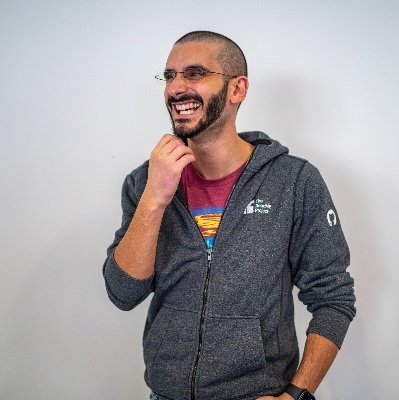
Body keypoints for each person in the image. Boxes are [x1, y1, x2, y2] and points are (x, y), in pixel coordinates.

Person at [102, 31, 356, 400]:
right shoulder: (145, 181)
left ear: (237, 89)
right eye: (170, 76)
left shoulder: (294, 181)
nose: (176, 88)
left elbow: (333, 298)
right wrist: (154, 199)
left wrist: (297, 395)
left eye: (194, 73)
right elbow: (123, 293)